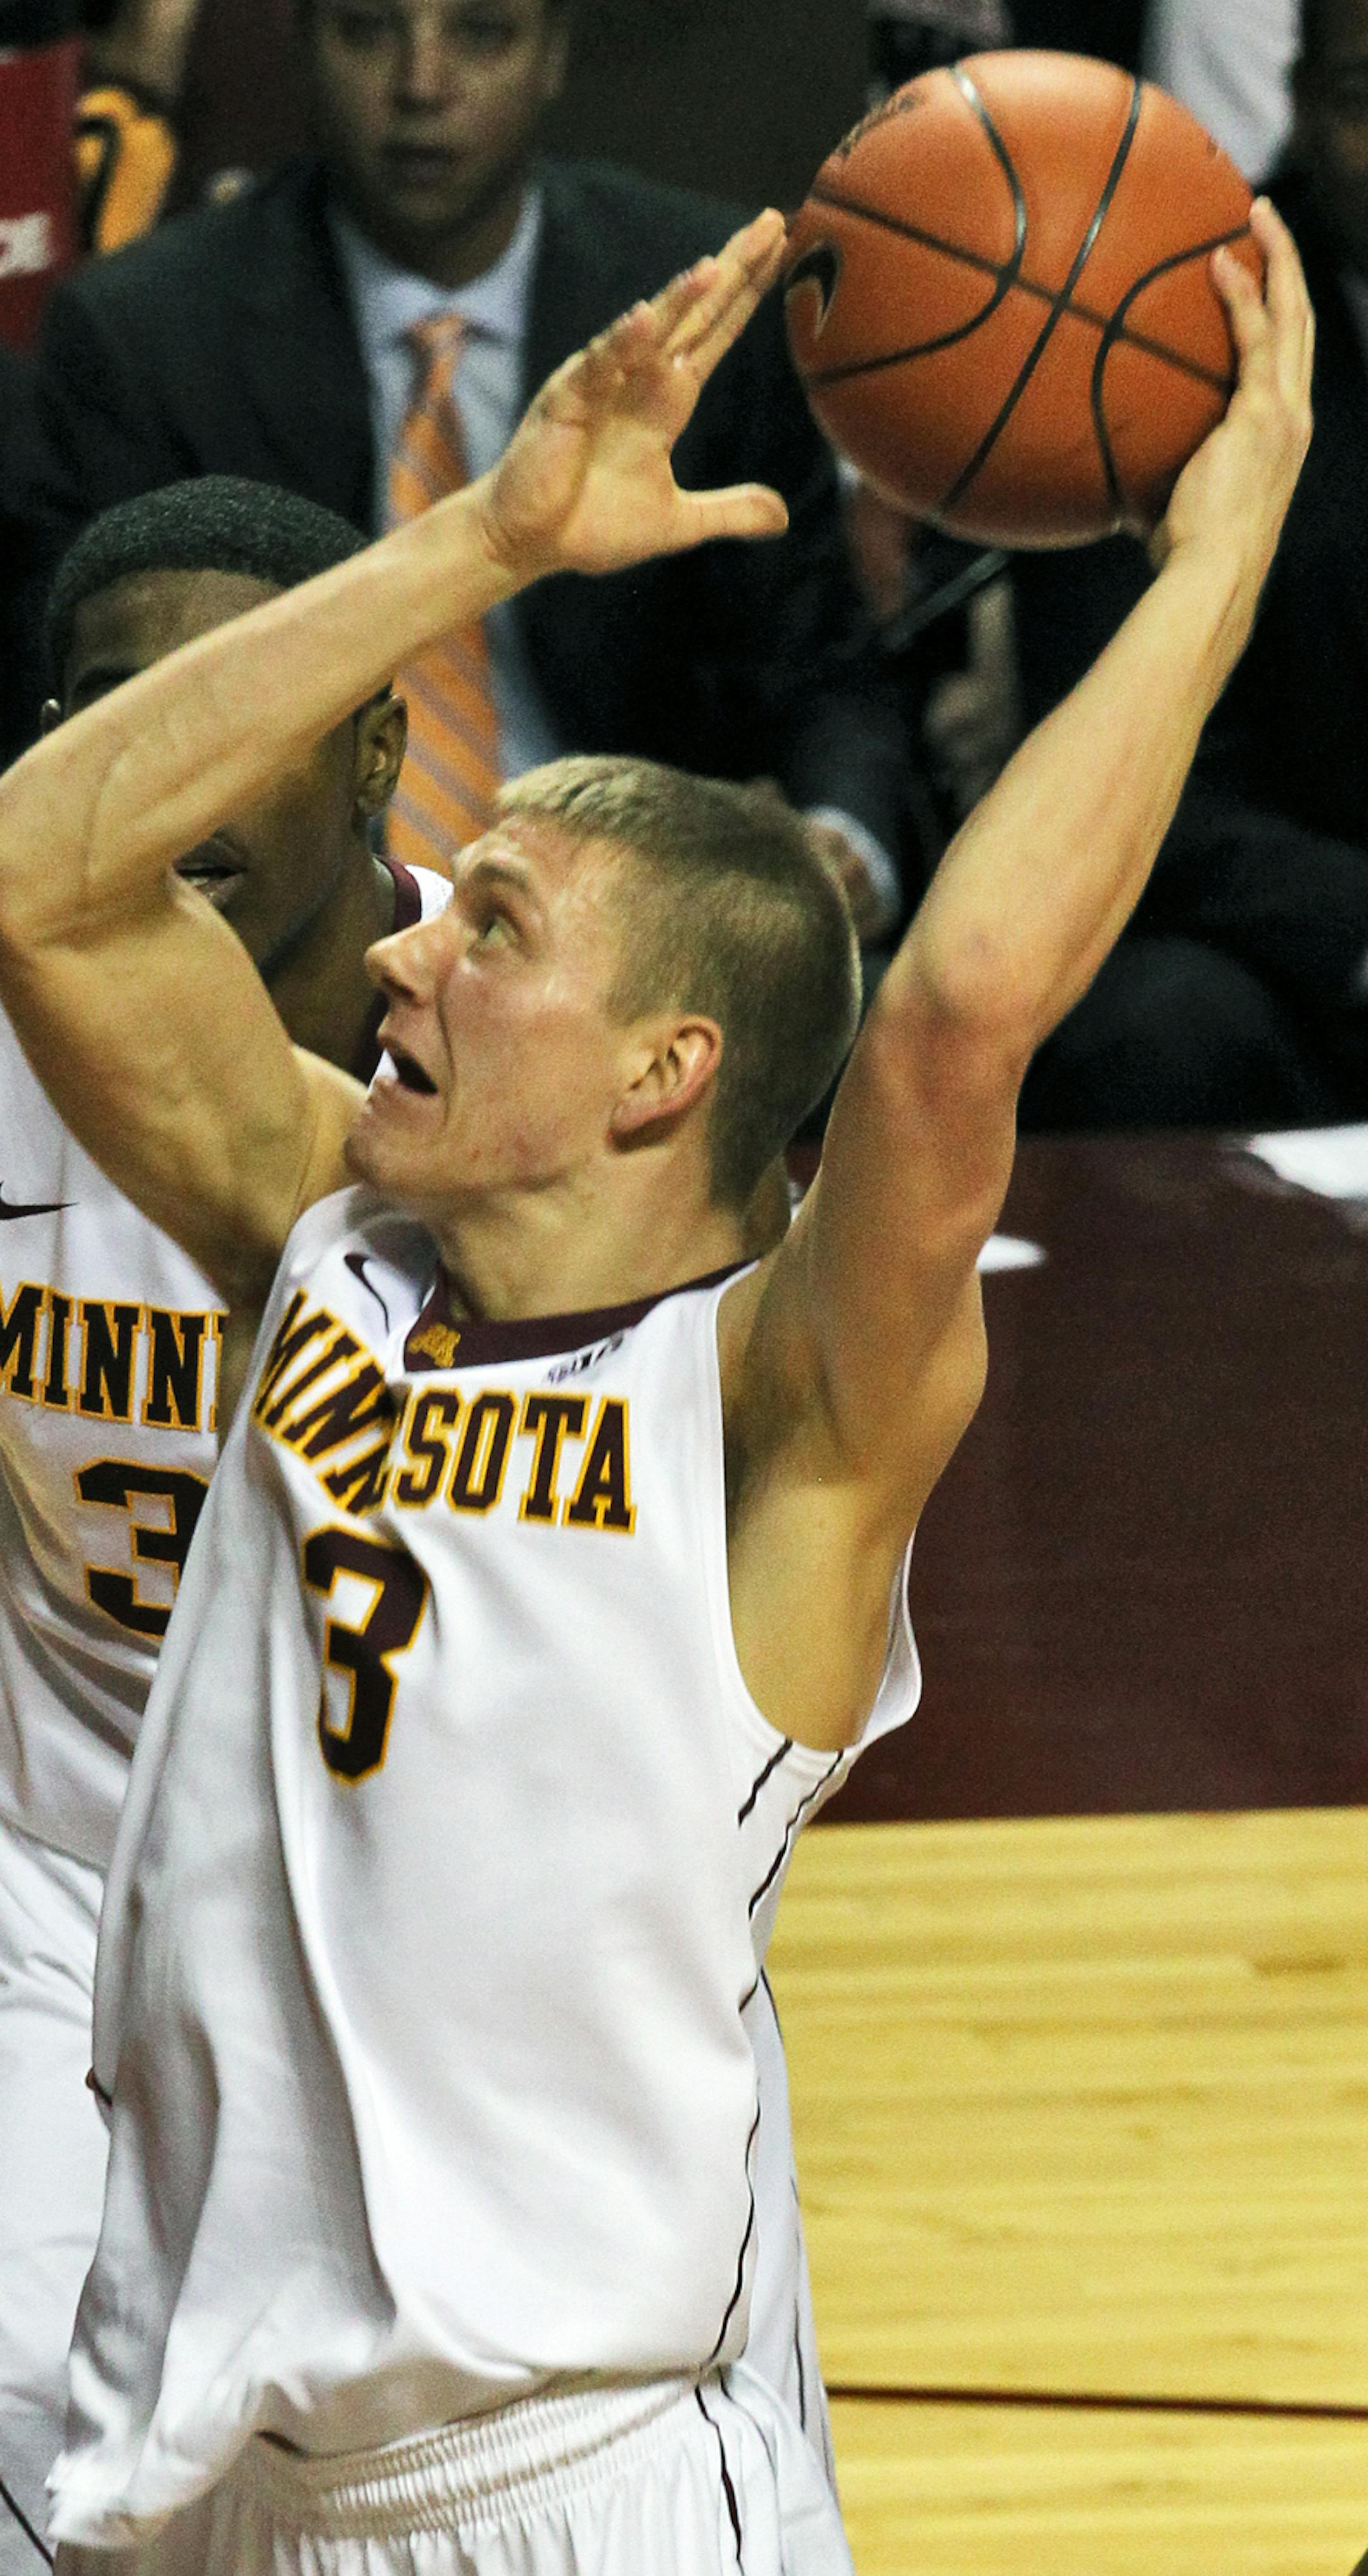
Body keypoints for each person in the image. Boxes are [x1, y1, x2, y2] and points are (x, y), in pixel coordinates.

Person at [0, 195, 1309, 2573]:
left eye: (492, 921)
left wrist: (1210, 558)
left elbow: (950, 1017)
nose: (409, 935)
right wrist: (476, 543)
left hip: (558, 2493)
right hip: (212, 2476)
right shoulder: (325, 1252)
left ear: (662, 1068)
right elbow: (41, 876)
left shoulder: (773, 1407)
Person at [0, 473, 452, 2576]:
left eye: (228, 704)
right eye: (118, 709)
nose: (167, 764)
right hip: (62, 1896)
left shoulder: (554, 1048)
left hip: (449, 1939)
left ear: (375, 738)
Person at [11, 0, 909, 930]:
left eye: (480, 33)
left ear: (553, 54)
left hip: (638, 930)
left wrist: (837, 837)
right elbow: (101, 730)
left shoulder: (692, 310)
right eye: (367, 31)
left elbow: (822, 672)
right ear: (303, 47)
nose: (421, 86)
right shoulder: (147, 337)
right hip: (278, 944)